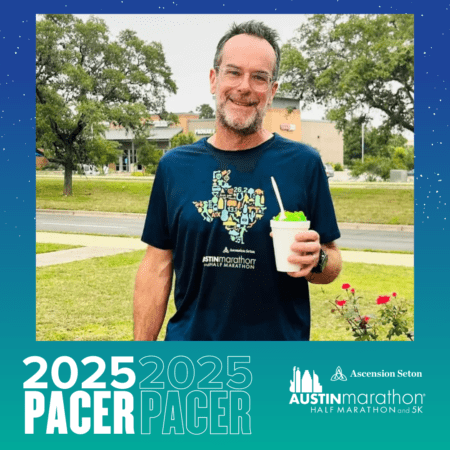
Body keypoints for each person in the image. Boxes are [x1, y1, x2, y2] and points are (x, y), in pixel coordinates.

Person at [134, 21, 342, 341]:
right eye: (234, 72)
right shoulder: (174, 167)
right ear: (214, 79)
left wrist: (318, 259)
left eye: (259, 77)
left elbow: (332, 264)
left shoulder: (304, 164)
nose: (245, 87)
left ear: (271, 92)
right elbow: (156, 266)